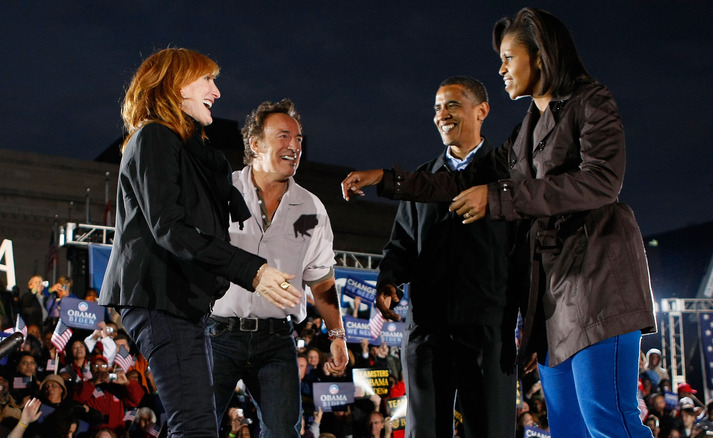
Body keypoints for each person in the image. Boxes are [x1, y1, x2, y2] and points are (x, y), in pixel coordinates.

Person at [341, 8, 657, 437]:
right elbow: (464, 181)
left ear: (541, 56)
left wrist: (499, 196)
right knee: (569, 427)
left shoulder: (591, 101)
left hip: (597, 281)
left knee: (607, 421)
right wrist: (386, 179)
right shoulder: (525, 131)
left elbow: (602, 181)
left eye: (509, 58)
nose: (501, 68)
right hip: (551, 297)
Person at [99, 47, 302, 437]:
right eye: (208, 80)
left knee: (194, 425)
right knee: (195, 428)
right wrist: (253, 271)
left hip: (182, 303)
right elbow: (170, 228)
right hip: (160, 299)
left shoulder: (188, 150)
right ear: (176, 86)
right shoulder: (154, 136)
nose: (217, 92)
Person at [369, 76, 517, 437]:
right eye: (437, 107)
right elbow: (401, 244)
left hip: (487, 329)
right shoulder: (421, 178)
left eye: (452, 104)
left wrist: (535, 328)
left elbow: (526, 255)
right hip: (427, 331)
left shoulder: (509, 176)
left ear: (482, 110)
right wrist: (388, 279)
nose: (442, 114)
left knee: (489, 430)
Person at [208, 98, 347, 437]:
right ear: (255, 144)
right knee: (194, 425)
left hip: (276, 341)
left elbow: (321, 278)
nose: (295, 146)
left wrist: (338, 336)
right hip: (217, 335)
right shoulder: (220, 191)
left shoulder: (311, 208)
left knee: (284, 431)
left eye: (299, 140)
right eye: (284, 136)